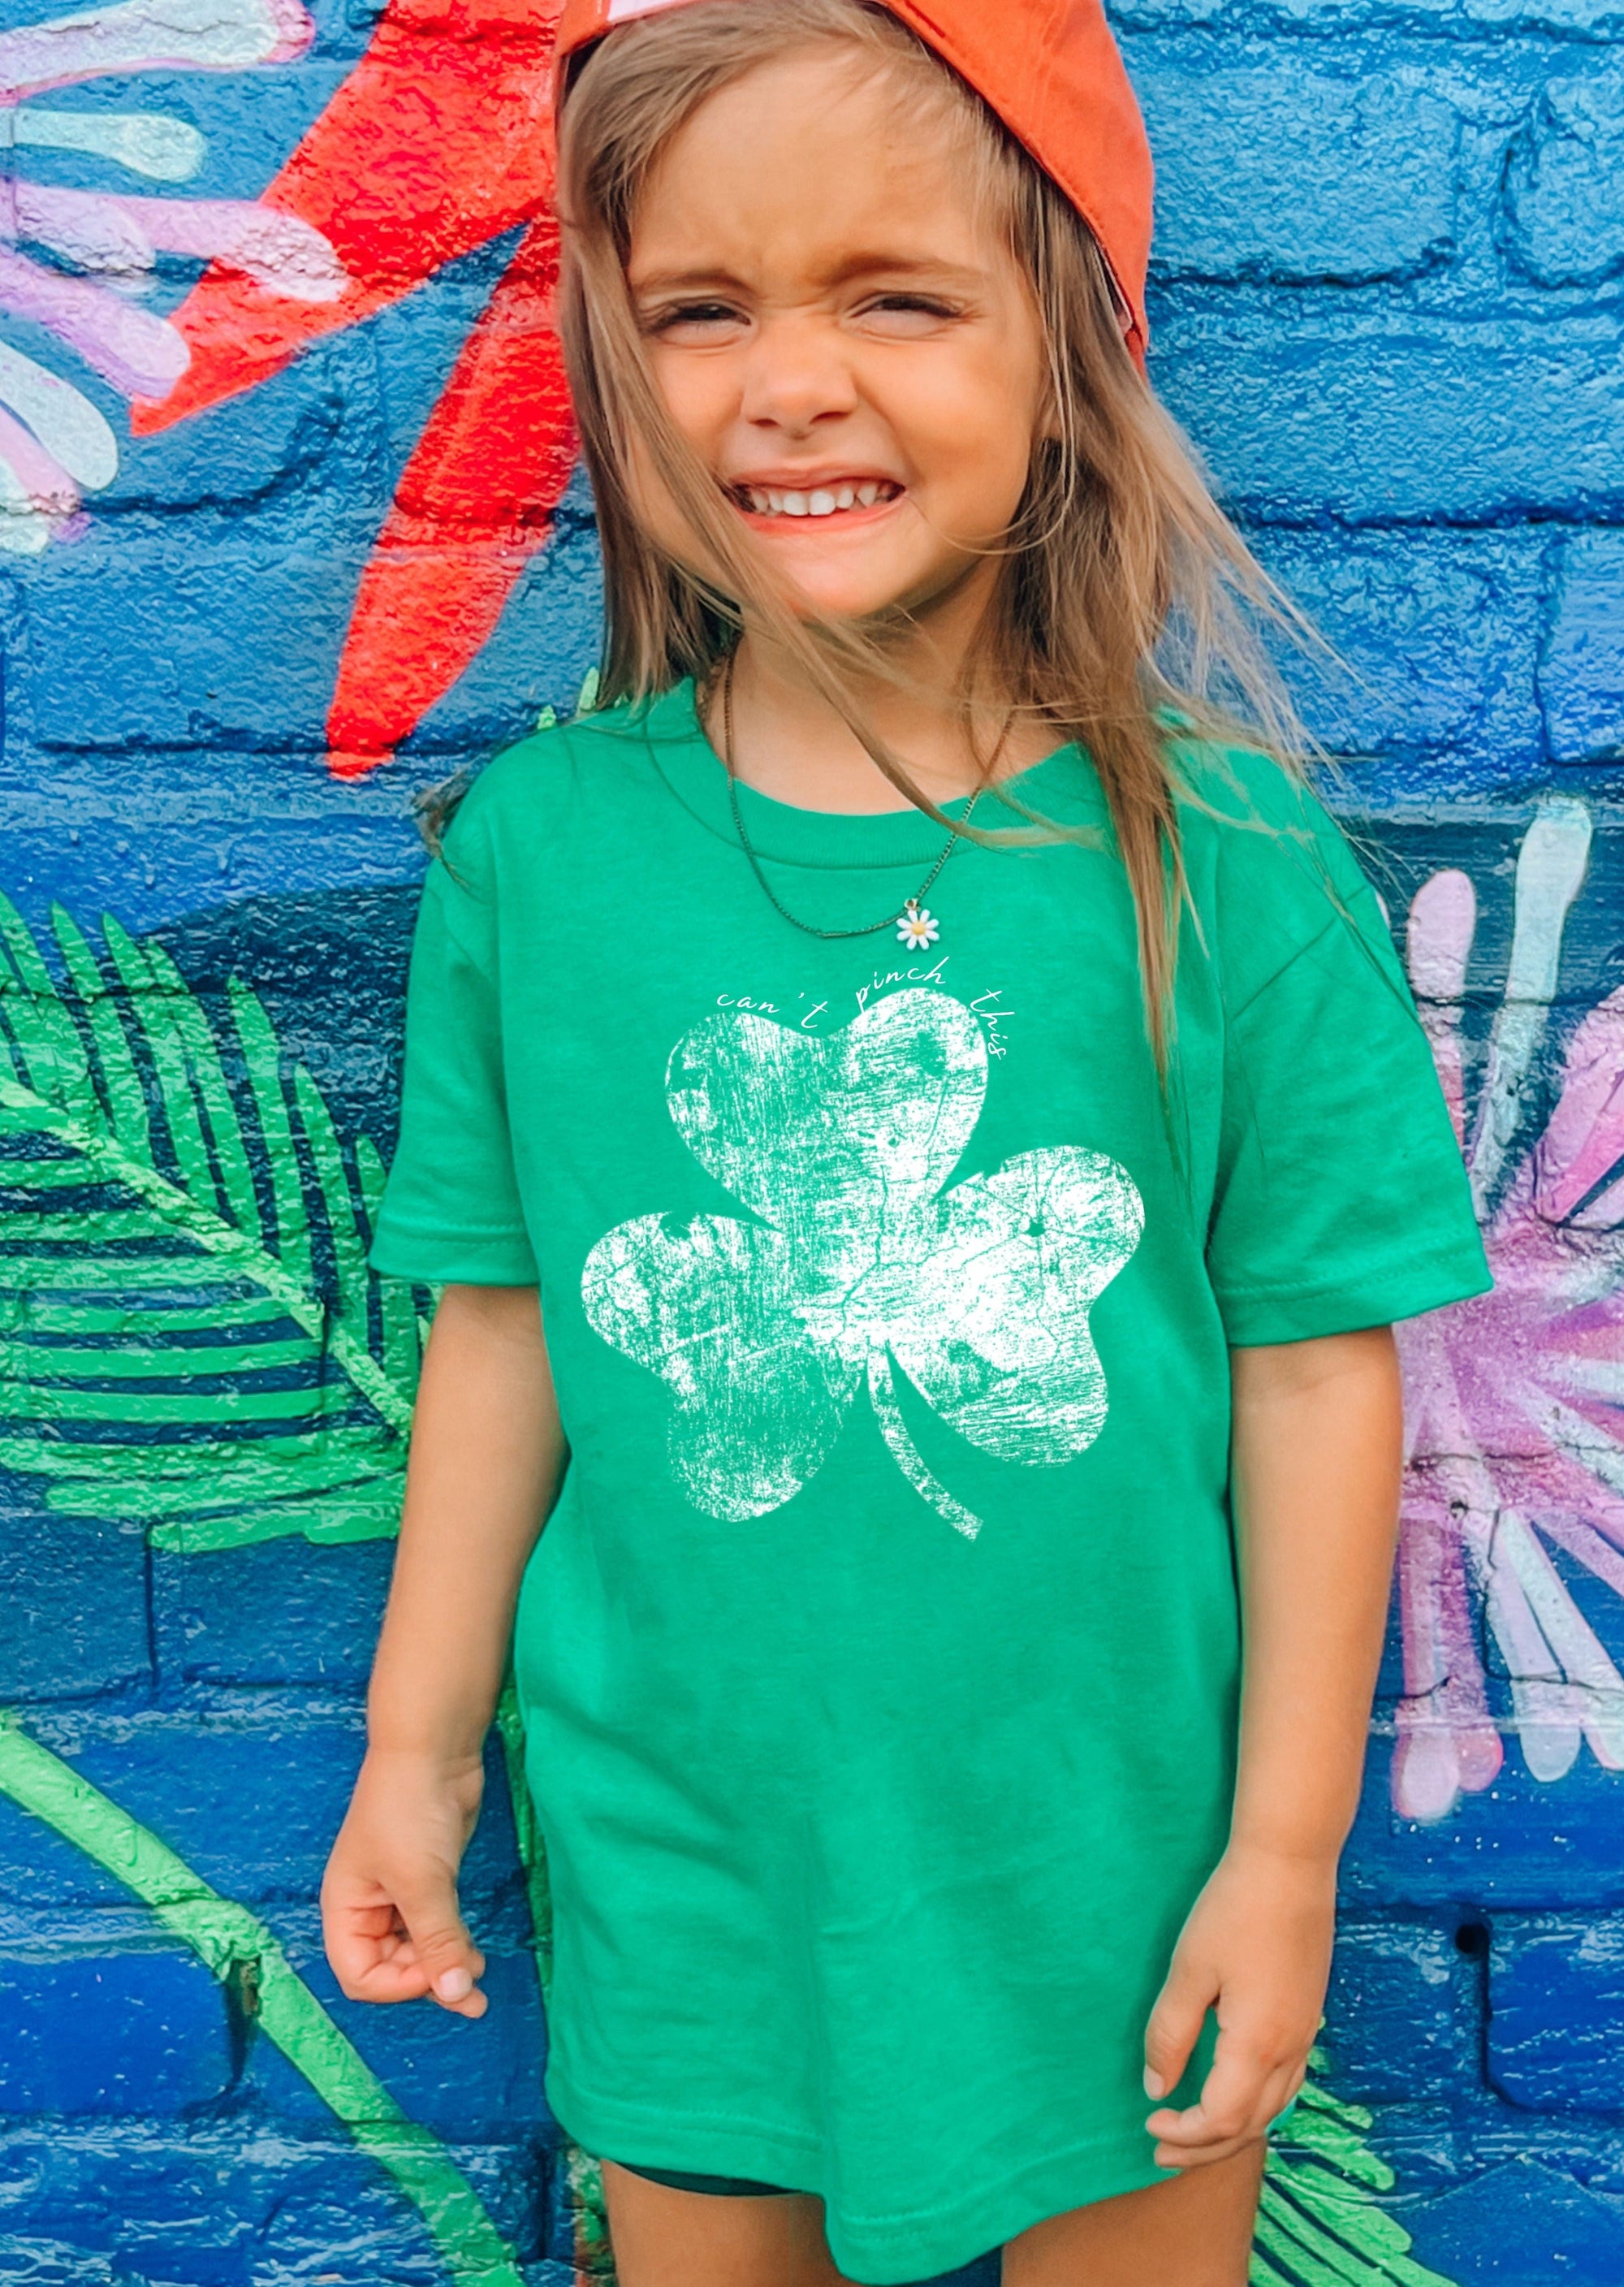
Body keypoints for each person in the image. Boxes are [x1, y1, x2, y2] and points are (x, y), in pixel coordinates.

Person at [320, 3, 1492, 2281]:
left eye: (895, 298)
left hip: (1111, 1856)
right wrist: (417, 1745)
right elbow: (509, 1323)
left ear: (1069, 345)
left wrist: (1284, 1855)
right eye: (700, 310)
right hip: (684, 1842)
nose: (788, 383)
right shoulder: (541, 855)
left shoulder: (1226, 865)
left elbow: (1314, 1375)